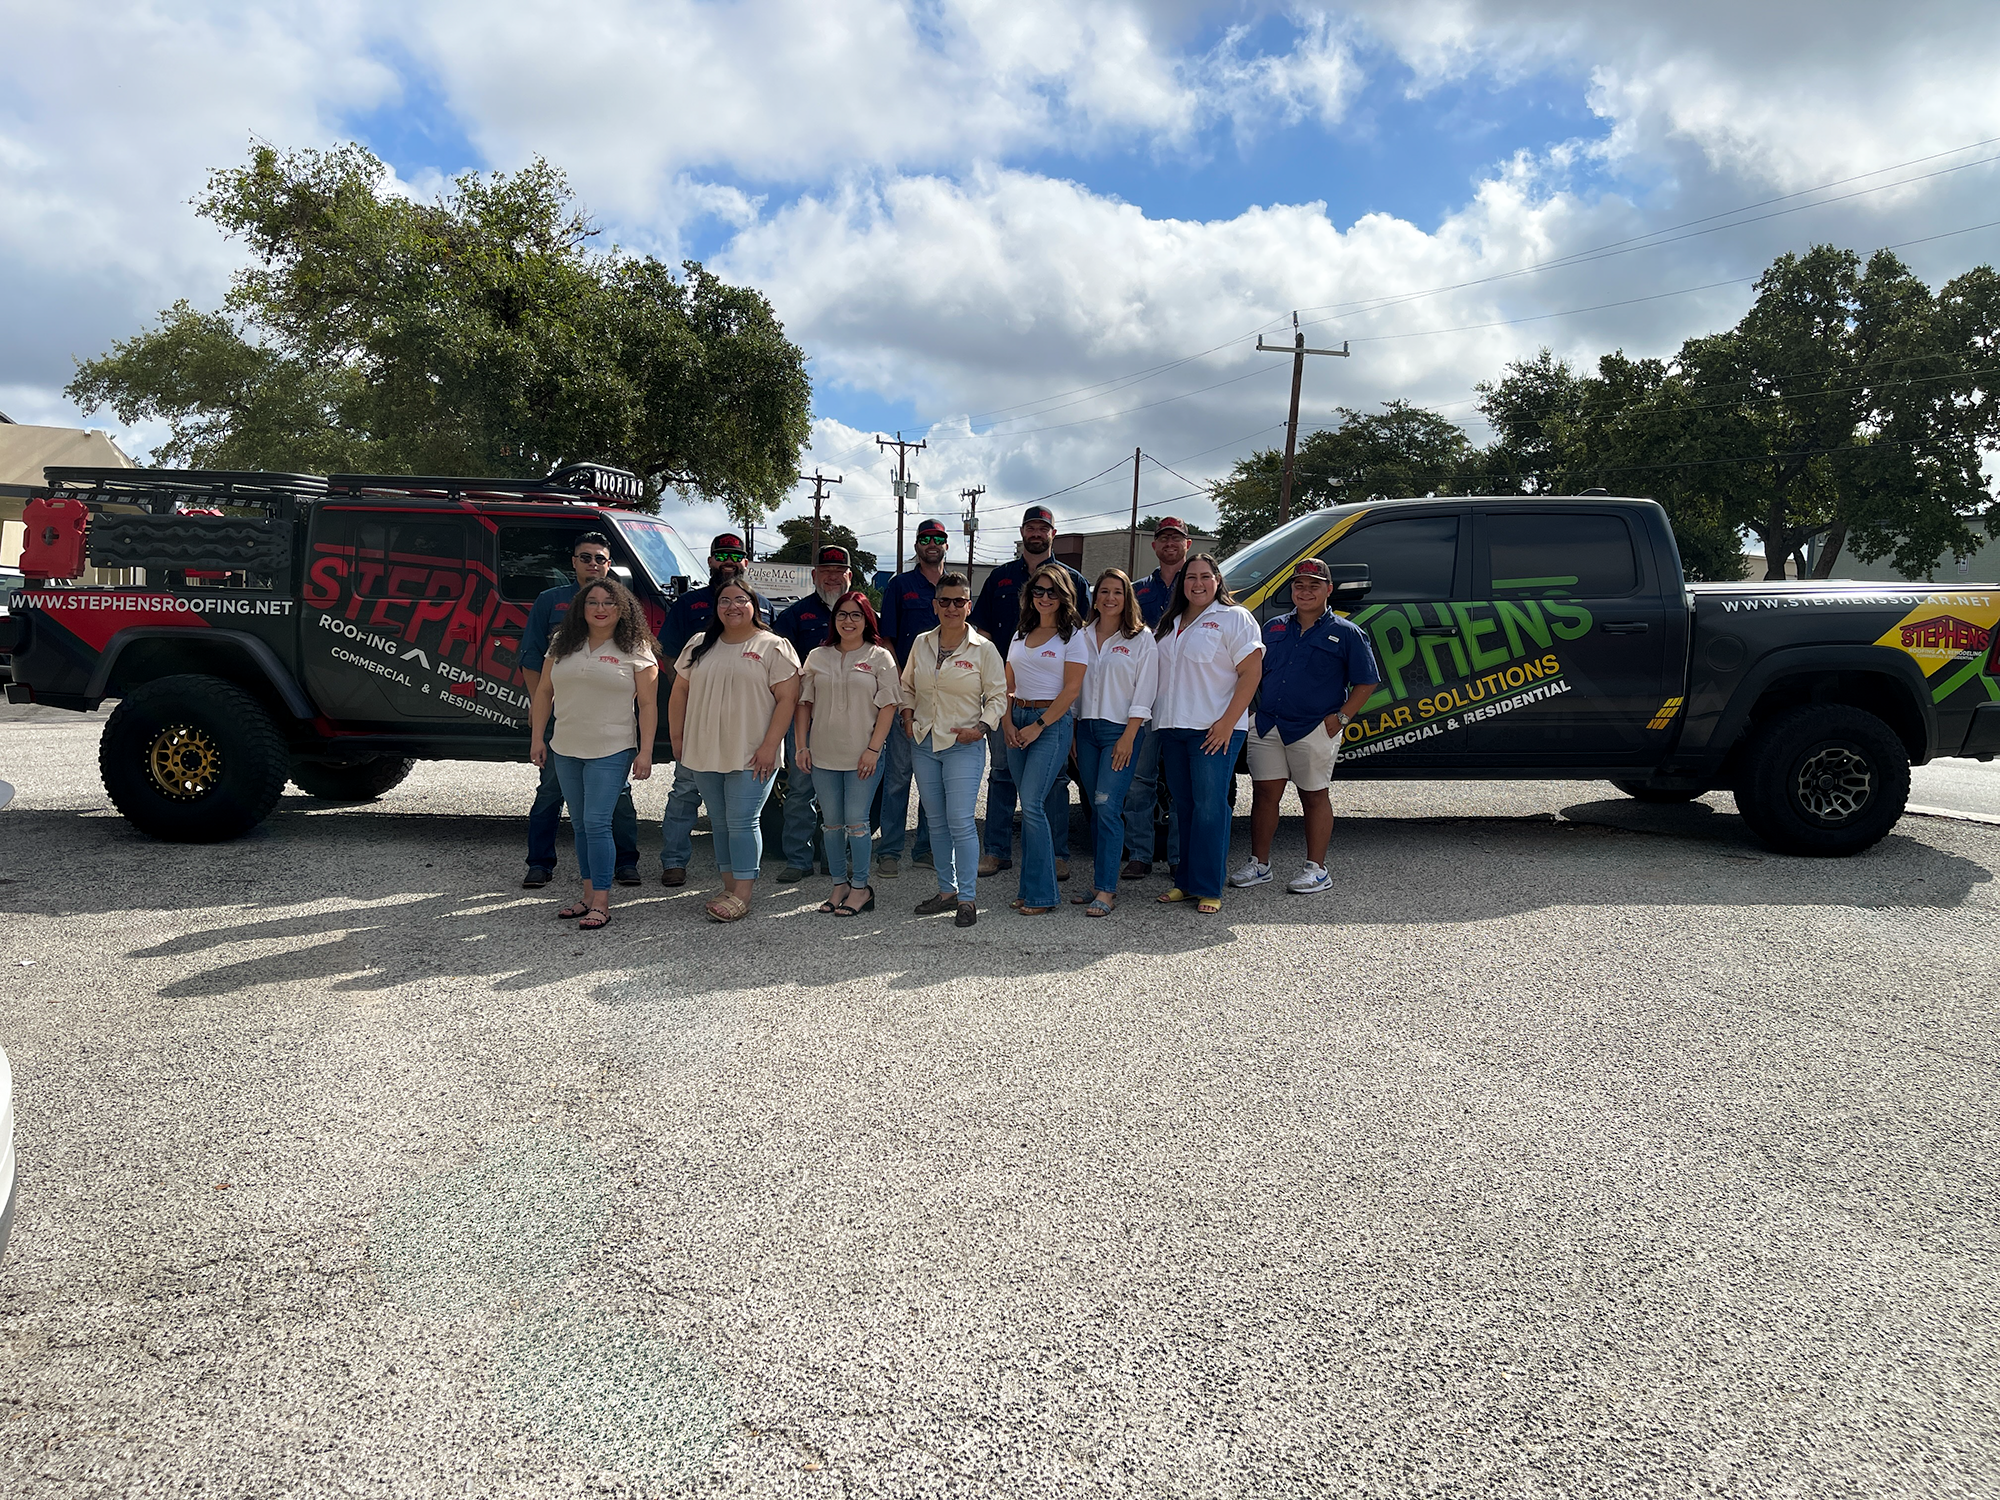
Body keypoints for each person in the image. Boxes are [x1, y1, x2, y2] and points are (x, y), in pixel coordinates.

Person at [1234, 558, 1382, 894]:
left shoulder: (1347, 633)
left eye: (1314, 585)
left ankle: (1316, 869)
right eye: (1299, 585)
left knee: (1314, 796)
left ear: (1328, 590)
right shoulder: (1273, 628)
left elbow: (1366, 682)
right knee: (1264, 795)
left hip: (1315, 728)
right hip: (1269, 724)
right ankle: (1260, 864)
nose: (1305, 591)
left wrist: (1340, 719)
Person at [527, 579, 659, 930]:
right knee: (582, 824)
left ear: (623, 609)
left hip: (612, 747)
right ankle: (587, 896)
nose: (600, 609)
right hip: (566, 746)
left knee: (598, 822)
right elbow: (543, 692)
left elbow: (647, 705)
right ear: (580, 608)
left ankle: (601, 901)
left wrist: (645, 751)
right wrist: (537, 738)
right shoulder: (561, 643)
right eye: (593, 602)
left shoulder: (636, 648)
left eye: (609, 603)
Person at [667, 579, 801, 922]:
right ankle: (729, 887)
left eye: (740, 599)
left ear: (754, 605)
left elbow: (788, 699)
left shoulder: (773, 646)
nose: (732, 606)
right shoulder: (699, 644)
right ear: (716, 607)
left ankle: (743, 893)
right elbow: (679, 691)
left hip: (753, 752)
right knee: (722, 822)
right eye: (724, 600)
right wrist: (679, 738)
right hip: (704, 749)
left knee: (742, 821)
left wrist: (771, 746)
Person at [969, 505, 1088, 879]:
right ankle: (997, 851)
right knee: (1001, 775)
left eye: (1043, 527)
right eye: (1031, 527)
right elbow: (984, 636)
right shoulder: (1000, 578)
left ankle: (1056, 855)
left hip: (1051, 706)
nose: (1036, 533)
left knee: (1054, 782)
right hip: (1008, 698)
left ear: (1053, 533)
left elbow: (1082, 640)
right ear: (1022, 531)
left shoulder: (1074, 580)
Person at [518, 532, 641, 889]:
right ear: (573, 562)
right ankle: (540, 864)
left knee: (616, 795)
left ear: (608, 564)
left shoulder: (622, 602)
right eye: (585, 557)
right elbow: (531, 658)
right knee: (551, 791)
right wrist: (539, 706)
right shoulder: (549, 601)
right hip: (563, 714)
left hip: (608, 723)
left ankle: (625, 863)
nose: (593, 564)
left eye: (599, 558)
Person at [1150, 554, 1263, 916]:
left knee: (1211, 809)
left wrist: (1229, 722)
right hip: (1173, 727)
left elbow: (1251, 673)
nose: (1197, 583)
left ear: (1217, 580)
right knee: (1185, 810)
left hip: (1214, 730)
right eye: (1190, 578)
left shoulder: (1234, 618)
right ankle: (1185, 882)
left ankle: (1209, 886)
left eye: (1204, 576)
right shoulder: (1171, 623)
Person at [658, 535, 773, 887]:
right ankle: (674, 861)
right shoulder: (689, 604)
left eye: (735, 556)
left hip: (744, 724)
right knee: (684, 791)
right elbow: (668, 657)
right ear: (709, 561)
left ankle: (738, 879)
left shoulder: (763, 604)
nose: (728, 561)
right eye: (721, 555)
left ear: (746, 563)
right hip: (699, 719)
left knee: (738, 811)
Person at [900, 572, 1006, 928]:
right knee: (937, 822)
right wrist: (907, 714)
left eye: (959, 601)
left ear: (969, 605)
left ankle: (967, 898)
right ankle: (946, 891)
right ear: (935, 605)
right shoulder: (921, 643)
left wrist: (980, 729)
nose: (951, 607)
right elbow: (907, 686)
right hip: (925, 742)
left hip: (963, 744)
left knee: (960, 821)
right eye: (944, 601)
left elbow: (997, 697)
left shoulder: (983, 649)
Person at [794, 590, 901, 916]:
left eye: (856, 614)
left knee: (857, 822)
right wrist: (801, 745)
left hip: (862, 756)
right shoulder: (817, 656)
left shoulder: (880, 657)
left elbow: (889, 706)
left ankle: (860, 888)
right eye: (842, 614)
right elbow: (804, 705)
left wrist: (873, 749)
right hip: (824, 754)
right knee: (832, 824)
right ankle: (839, 884)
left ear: (867, 619)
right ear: (834, 620)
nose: (848, 621)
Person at [1070, 568, 1158, 918]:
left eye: (1117, 592)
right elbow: (1073, 686)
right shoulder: (1080, 636)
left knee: (1108, 806)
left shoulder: (1141, 639)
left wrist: (1129, 735)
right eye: (1104, 591)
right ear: (1095, 597)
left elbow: (1145, 690)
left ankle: (1107, 890)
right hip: (1086, 731)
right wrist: (1074, 730)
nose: (1110, 598)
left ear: (1127, 598)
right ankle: (1097, 881)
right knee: (1095, 806)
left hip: (1120, 731)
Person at [1003, 564, 1088, 915]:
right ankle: (1029, 889)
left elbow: (1071, 690)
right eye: (1038, 591)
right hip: (1017, 719)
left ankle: (1043, 895)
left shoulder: (1073, 636)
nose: (1045, 597)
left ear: (1064, 595)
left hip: (1049, 724)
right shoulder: (1021, 633)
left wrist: (1038, 725)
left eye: (1052, 591)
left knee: (1034, 805)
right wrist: (1007, 722)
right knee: (1029, 805)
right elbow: (1007, 684)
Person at [771, 546, 854, 883]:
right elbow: (780, 665)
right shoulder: (796, 615)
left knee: (844, 790)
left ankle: (835, 859)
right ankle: (798, 858)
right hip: (804, 714)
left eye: (839, 571)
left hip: (849, 716)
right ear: (815, 576)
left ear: (850, 576)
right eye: (826, 571)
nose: (832, 577)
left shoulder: (862, 613)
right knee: (801, 788)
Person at [872, 518, 949, 877]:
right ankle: (889, 850)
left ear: (946, 544)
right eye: (925, 538)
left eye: (938, 538)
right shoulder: (900, 585)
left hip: (945, 699)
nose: (931, 544)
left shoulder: (953, 586)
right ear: (917, 545)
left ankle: (925, 848)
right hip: (909, 695)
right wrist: (902, 689)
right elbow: (887, 641)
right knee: (899, 775)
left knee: (933, 776)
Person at [1123, 516, 1192, 880]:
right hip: (1144, 702)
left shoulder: (1199, 586)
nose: (1170, 544)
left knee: (1181, 782)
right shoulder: (1137, 591)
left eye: (1176, 538)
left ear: (1187, 544)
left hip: (1186, 701)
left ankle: (1180, 856)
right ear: (1154, 545)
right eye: (1163, 538)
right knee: (1139, 782)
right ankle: (1139, 853)